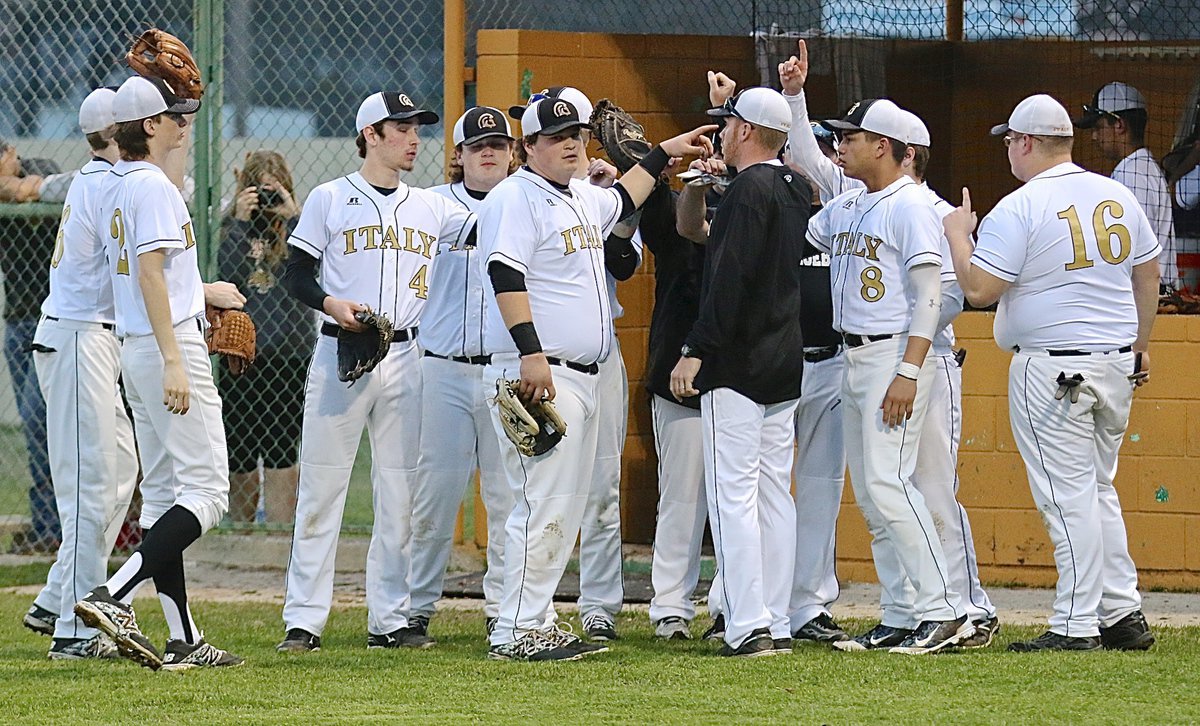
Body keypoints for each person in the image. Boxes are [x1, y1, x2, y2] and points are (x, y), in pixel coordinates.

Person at [479, 96, 713, 661]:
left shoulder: (578, 196)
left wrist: (664, 152)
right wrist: (530, 355)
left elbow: (622, 198)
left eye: (576, 134)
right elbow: (504, 273)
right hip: (544, 371)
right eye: (555, 135)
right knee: (543, 503)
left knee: (557, 503)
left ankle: (530, 619)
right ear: (526, 147)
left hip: (580, 374)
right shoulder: (516, 196)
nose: (569, 142)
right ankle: (517, 629)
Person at [945, 93, 1159, 652]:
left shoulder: (1021, 205)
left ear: (1026, 142)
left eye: (1010, 141)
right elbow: (1149, 270)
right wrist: (1141, 343)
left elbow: (979, 289)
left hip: (1055, 370)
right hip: (1115, 361)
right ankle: (1122, 611)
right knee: (1095, 491)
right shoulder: (1116, 192)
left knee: (1067, 498)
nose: (1009, 151)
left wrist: (958, 237)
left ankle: (1075, 623)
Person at [276, 91, 474, 653]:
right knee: (321, 488)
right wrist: (330, 304)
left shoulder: (433, 208)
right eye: (402, 127)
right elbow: (296, 273)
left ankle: (389, 620)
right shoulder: (331, 198)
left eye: (417, 128)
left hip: (407, 357)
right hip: (342, 352)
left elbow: (494, 229)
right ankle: (304, 621)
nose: (415, 138)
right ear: (370, 133)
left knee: (400, 493)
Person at [73, 74, 246, 671]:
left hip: (137, 345)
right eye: (175, 116)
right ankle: (111, 597)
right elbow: (151, 275)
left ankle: (184, 638)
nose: (184, 124)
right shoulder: (151, 187)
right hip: (165, 346)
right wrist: (176, 357)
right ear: (150, 126)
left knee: (167, 496)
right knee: (208, 495)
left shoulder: (119, 182)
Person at [803, 97, 972, 655]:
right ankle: (899, 612)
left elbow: (930, 297)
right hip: (853, 355)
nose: (841, 144)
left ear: (885, 146)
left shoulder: (911, 205)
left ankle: (944, 609)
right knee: (874, 495)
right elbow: (803, 226)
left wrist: (908, 370)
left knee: (890, 483)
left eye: (852, 137)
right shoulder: (854, 202)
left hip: (892, 355)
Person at [667, 86, 808, 658]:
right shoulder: (797, 185)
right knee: (776, 494)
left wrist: (697, 347)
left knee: (733, 496)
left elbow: (728, 279)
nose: (722, 133)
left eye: (727, 124)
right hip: (784, 356)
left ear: (747, 130)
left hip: (739, 362)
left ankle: (746, 622)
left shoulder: (749, 190)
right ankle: (773, 619)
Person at [21, 88, 139, 660]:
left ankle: (54, 596)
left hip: (91, 338)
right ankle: (75, 630)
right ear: (118, 131)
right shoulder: (107, 184)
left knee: (120, 469)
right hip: (76, 338)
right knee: (88, 484)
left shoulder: (100, 178)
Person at [408, 106, 516, 639]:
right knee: (435, 495)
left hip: (504, 370)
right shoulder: (428, 206)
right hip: (443, 369)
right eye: (477, 146)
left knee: (505, 496)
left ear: (514, 153)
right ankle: (415, 610)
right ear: (459, 155)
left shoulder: (527, 205)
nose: (488, 152)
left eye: (497, 144)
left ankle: (504, 609)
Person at [217, 150, 309, 524]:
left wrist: (295, 216)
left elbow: (317, 270)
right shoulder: (228, 228)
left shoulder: (301, 228)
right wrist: (240, 221)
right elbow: (226, 275)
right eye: (261, 191)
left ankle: (278, 533)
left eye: (275, 191)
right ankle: (239, 532)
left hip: (289, 353)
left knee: (282, 450)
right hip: (239, 352)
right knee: (238, 451)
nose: (268, 201)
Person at [0, 152, 60, 555]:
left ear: (10, 155)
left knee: (42, 423)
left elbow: (53, 193)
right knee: (31, 425)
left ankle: (53, 526)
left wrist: (19, 191)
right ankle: (44, 525)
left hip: (51, 318)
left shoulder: (46, 170)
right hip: (17, 319)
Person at [1074, 82, 1176, 291]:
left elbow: (1131, 250)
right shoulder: (1137, 167)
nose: (1094, 136)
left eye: (1099, 127)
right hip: (1149, 291)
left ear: (1119, 125)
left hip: (1148, 295)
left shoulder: (1134, 174)